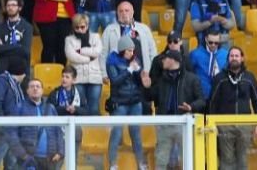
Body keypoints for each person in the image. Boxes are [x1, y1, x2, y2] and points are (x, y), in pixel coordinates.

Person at [144, 49, 205, 170]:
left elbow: (202, 101)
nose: (162, 61)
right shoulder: (162, 79)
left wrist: (191, 107)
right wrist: (146, 87)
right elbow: (149, 97)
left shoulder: (192, 79)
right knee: (161, 160)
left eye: (165, 59)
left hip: (184, 124)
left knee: (188, 159)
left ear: (172, 60)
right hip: (164, 124)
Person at [208, 47, 257, 169]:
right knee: (227, 159)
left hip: (244, 124)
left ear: (242, 58)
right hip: (224, 124)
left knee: (242, 158)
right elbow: (212, 102)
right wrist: (213, 123)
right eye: (231, 56)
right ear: (228, 59)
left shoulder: (249, 77)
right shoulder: (220, 78)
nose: (234, 58)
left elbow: (256, 100)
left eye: (237, 56)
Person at [106, 36, 150, 170]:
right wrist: (129, 70)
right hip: (120, 103)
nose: (132, 53)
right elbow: (115, 81)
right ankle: (113, 164)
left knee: (136, 134)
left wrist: (140, 74)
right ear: (122, 50)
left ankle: (141, 164)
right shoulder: (112, 61)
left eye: (133, 50)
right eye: (129, 51)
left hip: (135, 102)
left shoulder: (135, 60)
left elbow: (139, 82)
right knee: (117, 134)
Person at [9, 79, 65, 169]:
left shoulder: (50, 108)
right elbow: (12, 133)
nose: (35, 88)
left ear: (42, 90)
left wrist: (60, 153)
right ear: (27, 91)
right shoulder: (19, 107)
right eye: (32, 86)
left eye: (38, 86)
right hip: (29, 160)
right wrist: (22, 155)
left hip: (50, 159)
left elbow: (59, 131)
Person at [0, 56, 28, 169]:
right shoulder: (1, 81)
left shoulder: (15, 84)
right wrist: (4, 124)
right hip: (3, 130)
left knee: (12, 164)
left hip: (14, 130)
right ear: (22, 73)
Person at [101, 1, 158, 77]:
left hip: (142, 74)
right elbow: (103, 53)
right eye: (121, 11)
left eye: (126, 10)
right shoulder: (109, 29)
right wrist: (104, 74)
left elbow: (152, 52)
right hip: (118, 74)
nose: (124, 13)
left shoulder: (144, 29)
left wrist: (152, 72)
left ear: (132, 12)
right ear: (117, 13)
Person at [64, 14, 104, 116]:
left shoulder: (95, 36)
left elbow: (97, 52)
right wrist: (89, 58)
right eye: (77, 27)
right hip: (78, 78)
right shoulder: (69, 39)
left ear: (87, 26)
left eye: (82, 27)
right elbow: (72, 56)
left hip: (95, 77)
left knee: (94, 107)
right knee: (80, 107)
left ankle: (94, 131)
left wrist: (80, 50)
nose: (80, 30)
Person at [0, 0, 34, 75]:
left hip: (21, 67)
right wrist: (17, 46)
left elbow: (25, 50)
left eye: (13, 5)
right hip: (3, 68)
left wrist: (4, 47)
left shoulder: (27, 27)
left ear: (20, 8)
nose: (10, 8)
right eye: (8, 5)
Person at [189, 30, 229, 98]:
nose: (213, 45)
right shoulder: (195, 54)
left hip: (220, 95)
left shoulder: (225, 54)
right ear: (206, 39)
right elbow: (189, 74)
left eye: (216, 43)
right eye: (210, 42)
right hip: (202, 95)